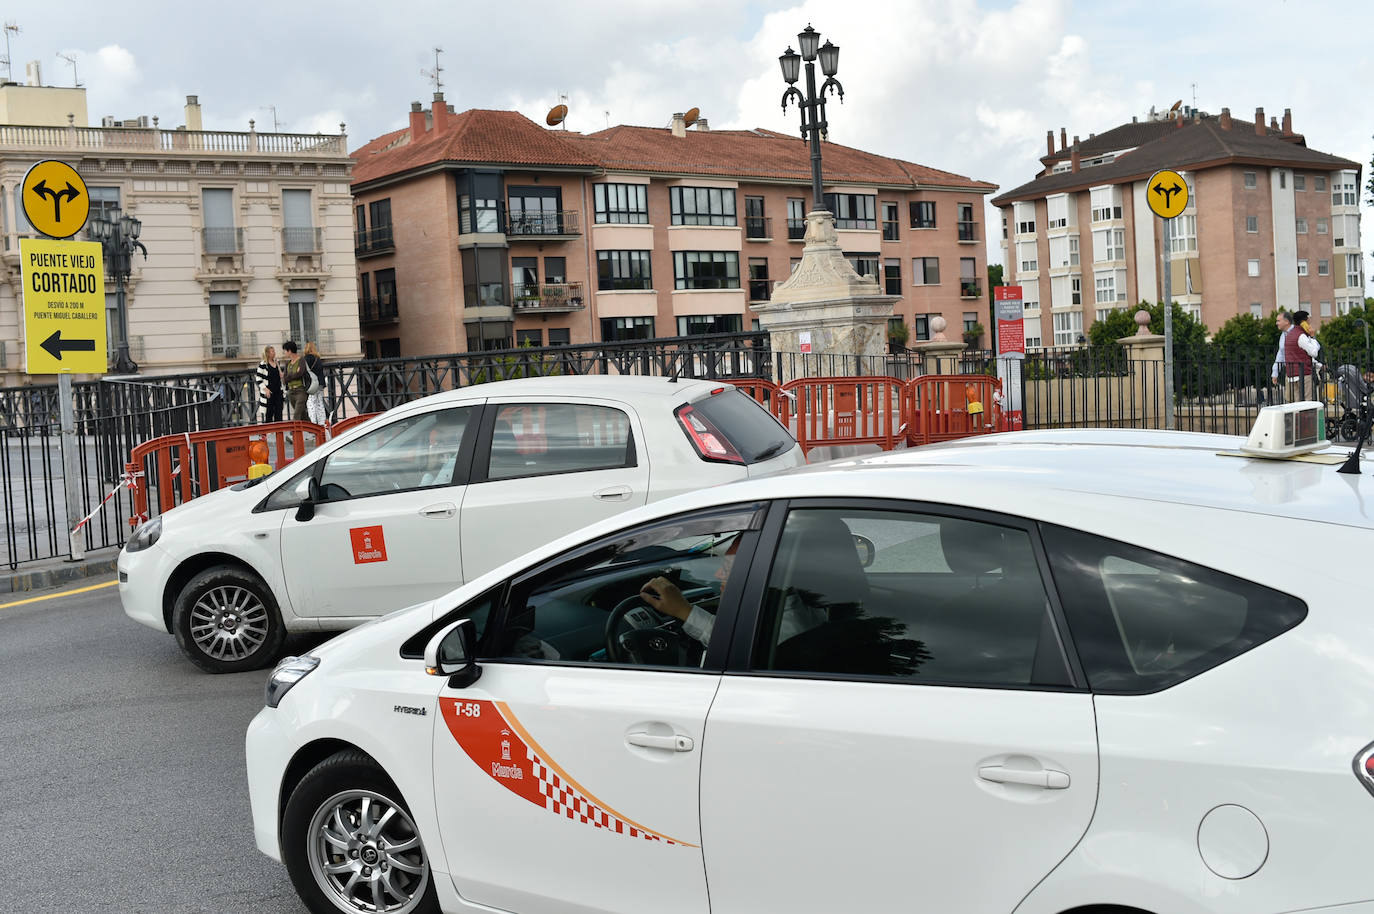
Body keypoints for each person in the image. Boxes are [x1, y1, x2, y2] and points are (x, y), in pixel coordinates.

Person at [1271, 310, 1321, 402]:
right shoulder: (1301, 335)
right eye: (1308, 320)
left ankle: (1298, 416)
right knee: (1307, 401)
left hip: (1291, 373)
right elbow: (1313, 352)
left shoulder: (1289, 335)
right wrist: (1313, 337)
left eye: (1278, 320)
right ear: (1304, 322)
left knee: (1296, 402)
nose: (1276, 323)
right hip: (1303, 373)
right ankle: (1304, 417)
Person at [281, 340, 310, 421]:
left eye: (285, 351)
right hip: (291, 392)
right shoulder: (288, 363)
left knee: (296, 414)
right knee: (303, 414)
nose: (284, 353)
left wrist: (289, 376)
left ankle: (293, 432)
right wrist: (293, 374)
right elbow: (285, 379)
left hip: (301, 390)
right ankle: (313, 430)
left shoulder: (301, 360)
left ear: (289, 351)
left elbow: (300, 373)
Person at [256, 345, 283, 423]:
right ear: (267, 353)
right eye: (272, 351)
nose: (274, 353)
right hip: (269, 392)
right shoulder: (263, 364)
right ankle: (268, 433)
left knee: (279, 412)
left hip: (278, 391)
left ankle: (279, 433)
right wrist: (266, 389)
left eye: (274, 351)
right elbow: (258, 378)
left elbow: (280, 376)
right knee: (269, 414)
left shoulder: (277, 362)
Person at [303, 341, 327, 425]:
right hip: (320, 383)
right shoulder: (318, 359)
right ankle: (322, 422)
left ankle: (313, 423)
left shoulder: (307, 358)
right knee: (320, 403)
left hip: (312, 384)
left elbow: (305, 371)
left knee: (311, 402)